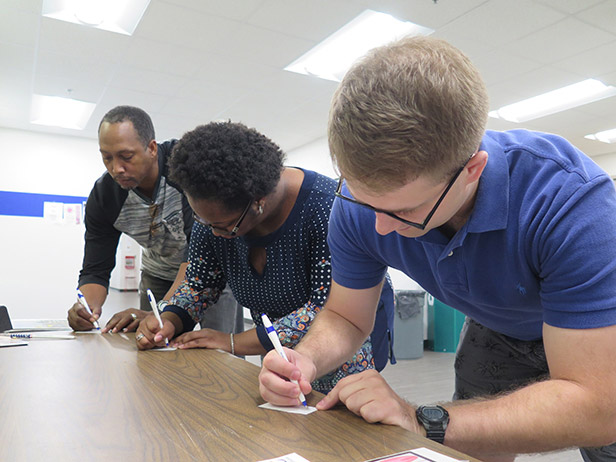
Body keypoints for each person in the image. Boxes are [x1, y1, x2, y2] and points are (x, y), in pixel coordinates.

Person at [258, 35, 616, 462]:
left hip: (600, 332)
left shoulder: (574, 206)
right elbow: (345, 316)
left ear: (472, 170)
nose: (380, 226)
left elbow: (598, 406)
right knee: (474, 442)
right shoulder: (359, 207)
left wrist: (421, 417)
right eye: (365, 201)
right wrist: (305, 360)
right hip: (497, 325)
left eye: (406, 210)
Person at [135, 121, 395, 393]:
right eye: (202, 220)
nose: (214, 233)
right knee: (284, 401)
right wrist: (170, 318)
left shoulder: (326, 210)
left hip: (343, 339)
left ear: (259, 201)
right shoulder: (215, 216)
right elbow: (199, 283)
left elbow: (326, 308)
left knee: (336, 414)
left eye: (225, 226)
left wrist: (234, 342)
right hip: (273, 340)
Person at [67, 106, 243, 336]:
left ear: (151, 148)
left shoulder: (187, 167)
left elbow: (196, 253)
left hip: (210, 272)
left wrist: (163, 311)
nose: (116, 168)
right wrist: (86, 308)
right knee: (152, 342)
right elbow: (95, 268)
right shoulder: (104, 197)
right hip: (157, 274)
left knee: (221, 350)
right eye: (106, 157)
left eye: (126, 157)